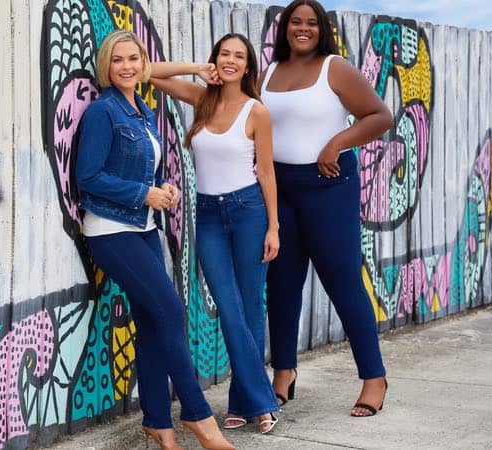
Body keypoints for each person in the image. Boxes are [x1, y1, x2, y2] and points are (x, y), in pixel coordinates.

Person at [75, 30, 234, 450]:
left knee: (151, 322)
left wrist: (163, 187)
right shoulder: (103, 112)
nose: (126, 67)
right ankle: (197, 414)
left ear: (142, 63)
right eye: (117, 60)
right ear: (106, 66)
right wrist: (143, 193)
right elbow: (88, 177)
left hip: (144, 227)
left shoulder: (142, 111)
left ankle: (159, 424)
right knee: (170, 311)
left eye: (133, 59)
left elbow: (141, 166)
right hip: (111, 230)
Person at [259, 0, 393, 417]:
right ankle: (284, 373)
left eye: (312, 23)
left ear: (322, 29)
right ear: (285, 28)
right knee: (281, 284)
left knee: (342, 280)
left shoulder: (334, 68)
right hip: (280, 189)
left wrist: (337, 143)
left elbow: (380, 116)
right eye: (296, 22)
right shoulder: (268, 72)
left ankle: (374, 377)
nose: (303, 29)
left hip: (328, 185)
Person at [149, 33, 280, 434]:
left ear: (248, 65)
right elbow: (148, 72)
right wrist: (196, 69)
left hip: (249, 212)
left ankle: (245, 401)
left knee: (249, 309)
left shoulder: (257, 111)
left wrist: (274, 226)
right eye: (224, 53)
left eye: (239, 56)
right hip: (207, 215)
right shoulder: (201, 99)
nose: (230, 60)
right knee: (228, 306)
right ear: (215, 59)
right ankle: (262, 400)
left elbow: (266, 171)